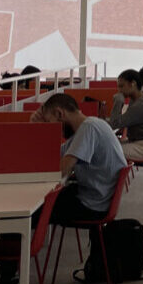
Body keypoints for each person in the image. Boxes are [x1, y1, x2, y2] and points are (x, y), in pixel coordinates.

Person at [34, 92, 127, 224]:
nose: (53, 129)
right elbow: (53, 155)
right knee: (44, 200)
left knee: (31, 212)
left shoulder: (89, 128)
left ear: (60, 114)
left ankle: (11, 243)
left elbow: (62, 170)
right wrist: (36, 128)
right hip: (95, 196)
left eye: (50, 122)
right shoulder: (89, 125)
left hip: (93, 205)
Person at [108, 66, 143, 162]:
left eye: (121, 86)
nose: (119, 90)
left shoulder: (140, 105)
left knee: (107, 150)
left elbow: (114, 124)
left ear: (132, 84)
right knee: (107, 145)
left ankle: (112, 177)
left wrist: (118, 102)